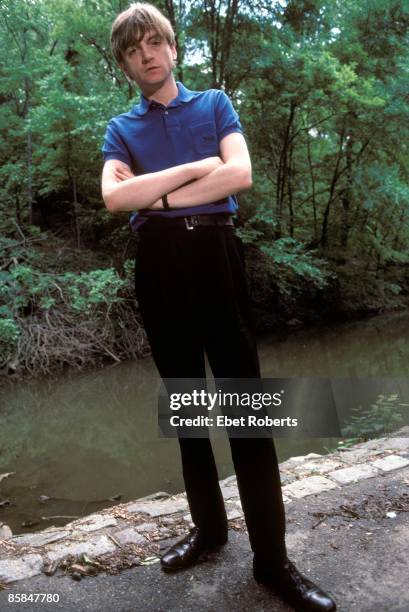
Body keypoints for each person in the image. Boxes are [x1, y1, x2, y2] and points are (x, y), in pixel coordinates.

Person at [101, 4, 336, 611]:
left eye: (154, 43)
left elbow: (241, 175)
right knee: (185, 410)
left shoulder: (215, 105)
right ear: (126, 64)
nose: (146, 55)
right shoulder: (121, 128)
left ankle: (272, 563)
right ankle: (208, 532)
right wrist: (193, 169)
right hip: (158, 269)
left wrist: (152, 196)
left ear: (172, 48)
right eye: (133, 50)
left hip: (216, 257)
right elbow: (112, 196)